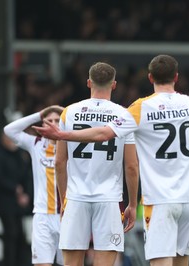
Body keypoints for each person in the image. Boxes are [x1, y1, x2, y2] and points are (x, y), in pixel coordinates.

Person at [33, 54, 189, 266]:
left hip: (160, 200)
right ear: (176, 77)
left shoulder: (141, 107)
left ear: (150, 78)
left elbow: (103, 133)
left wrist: (62, 134)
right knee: (182, 261)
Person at [54, 62, 139, 266]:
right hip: (109, 198)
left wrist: (65, 198)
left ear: (89, 83)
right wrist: (133, 204)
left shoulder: (69, 112)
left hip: (76, 196)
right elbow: (131, 166)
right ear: (114, 85)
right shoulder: (124, 115)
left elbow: (59, 162)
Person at [4, 105, 65, 266]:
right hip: (42, 216)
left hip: (67, 216)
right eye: (49, 121)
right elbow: (9, 130)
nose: (53, 124)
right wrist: (39, 115)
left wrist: (70, 113)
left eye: (57, 121)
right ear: (42, 126)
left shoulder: (74, 145)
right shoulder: (35, 144)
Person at [0, 132, 32, 266]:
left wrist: (25, 194)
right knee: (11, 234)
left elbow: (27, 175)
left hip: (18, 204)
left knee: (20, 235)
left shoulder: (20, 155)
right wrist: (14, 188)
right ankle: (10, 262)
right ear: (3, 139)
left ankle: (21, 262)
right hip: (5, 203)